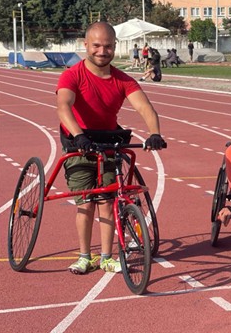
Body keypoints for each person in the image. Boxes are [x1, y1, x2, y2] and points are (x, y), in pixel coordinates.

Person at [57, 22, 166, 275]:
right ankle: (85, 256)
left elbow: (145, 108)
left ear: (115, 46)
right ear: (86, 45)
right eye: (96, 46)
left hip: (107, 142)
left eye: (108, 46)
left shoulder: (122, 79)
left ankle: (107, 257)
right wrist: (79, 135)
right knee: (86, 203)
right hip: (78, 142)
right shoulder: (72, 75)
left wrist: (155, 134)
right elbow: (63, 107)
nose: (102, 51)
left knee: (107, 202)